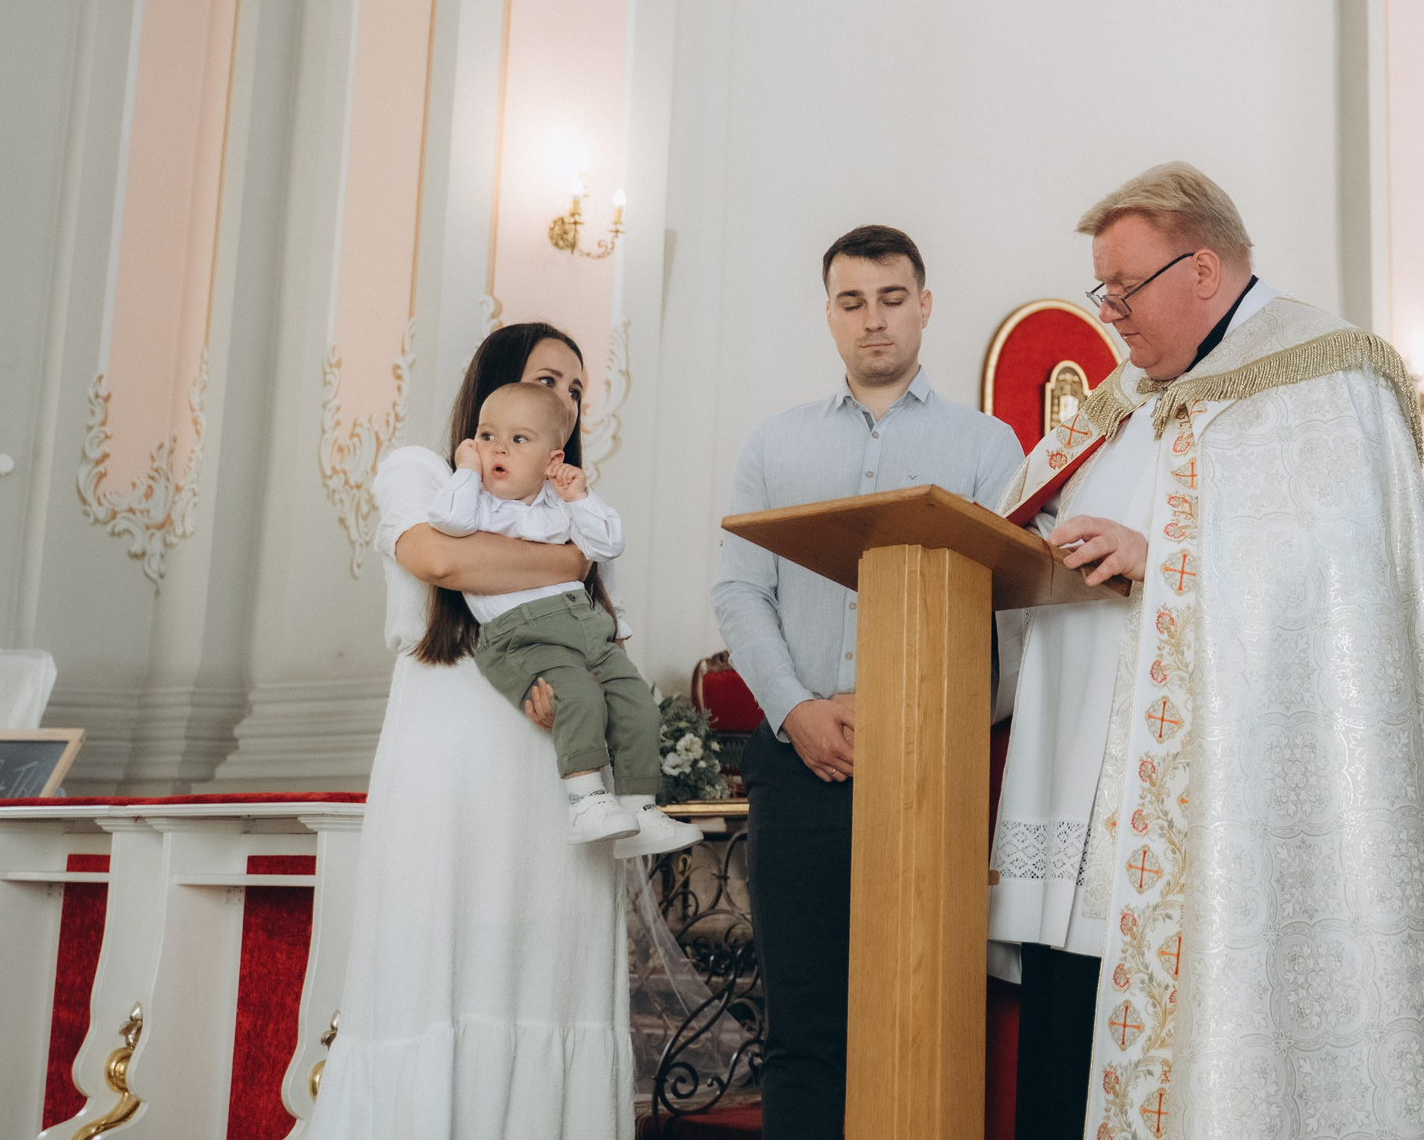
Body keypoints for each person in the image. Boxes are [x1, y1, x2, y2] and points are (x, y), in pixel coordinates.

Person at [989, 162, 1424, 1138]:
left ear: (1204, 267)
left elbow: (1336, 589)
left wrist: (1163, 558)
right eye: (1100, 290)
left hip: (1223, 836)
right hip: (1084, 819)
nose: (1108, 315)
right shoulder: (1125, 404)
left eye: (1122, 288)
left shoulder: (1324, 376)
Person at [710, 225, 1022, 1139]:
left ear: (925, 306)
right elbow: (738, 589)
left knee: (919, 1013)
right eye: (852, 302)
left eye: (892, 298)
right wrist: (798, 707)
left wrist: (913, 717)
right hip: (799, 766)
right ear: (830, 316)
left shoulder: (987, 447)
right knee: (803, 1026)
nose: (873, 319)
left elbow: (1016, 618)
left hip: (931, 775)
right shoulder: (775, 445)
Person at [312, 321, 635, 1140]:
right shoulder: (420, 467)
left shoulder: (567, 503)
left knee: (546, 979)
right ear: (494, 383)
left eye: (575, 388)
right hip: (449, 749)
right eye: (546, 377)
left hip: (547, 757)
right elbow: (442, 561)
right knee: (438, 964)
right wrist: (564, 562)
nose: (563, 396)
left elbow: (587, 627)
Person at [433, 378, 693, 855]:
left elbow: (606, 546)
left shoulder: (561, 503)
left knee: (638, 703)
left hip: (586, 626)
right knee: (580, 700)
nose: (497, 449)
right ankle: (586, 800)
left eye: (518, 440)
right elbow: (447, 522)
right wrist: (467, 471)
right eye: (487, 436)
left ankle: (639, 806)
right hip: (523, 635)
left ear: (553, 460)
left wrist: (578, 498)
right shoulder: (478, 504)